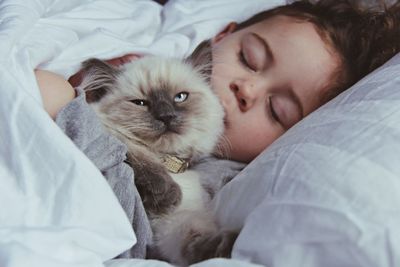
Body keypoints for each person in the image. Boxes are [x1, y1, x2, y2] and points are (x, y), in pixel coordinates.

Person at [35, 0, 400, 163]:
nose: (247, 90)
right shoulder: (142, 59)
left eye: (278, 110)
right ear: (222, 38)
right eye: (249, 59)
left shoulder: (227, 178)